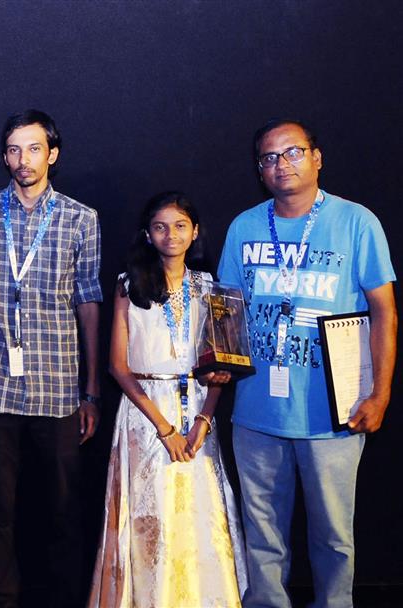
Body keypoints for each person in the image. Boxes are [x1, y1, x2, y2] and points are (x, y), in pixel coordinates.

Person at [218, 119, 396, 608]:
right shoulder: (245, 226)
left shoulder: (357, 222)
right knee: (262, 537)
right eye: (270, 158)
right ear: (260, 171)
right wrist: (218, 362)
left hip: (335, 412)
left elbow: (385, 311)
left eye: (293, 152)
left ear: (317, 158)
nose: (281, 164)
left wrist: (380, 393)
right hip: (257, 412)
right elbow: (226, 310)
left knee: (334, 538)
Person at [0, 109, 101, 607]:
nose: (24, 159)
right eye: (15, 149)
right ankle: (1, 599)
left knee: (62, 510)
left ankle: (62, 598)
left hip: (59, 388)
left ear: (53, 154)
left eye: (35, 148)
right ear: (4, 156)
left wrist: (91, 388)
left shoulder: (81, 218)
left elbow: (88, 301)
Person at [88, 192, 246, 606]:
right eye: (160, 226)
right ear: (147, 233)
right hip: (146, 413)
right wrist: (163, 428)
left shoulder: (212, 287)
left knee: (198, 513)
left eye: (179, 226)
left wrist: (203, 422)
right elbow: (118, 366)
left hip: (196, 411)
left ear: (194, 232)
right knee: (149, 514)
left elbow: (220, 362)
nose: (170, 235)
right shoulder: (129, 284)